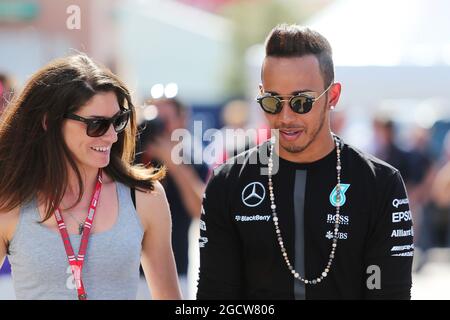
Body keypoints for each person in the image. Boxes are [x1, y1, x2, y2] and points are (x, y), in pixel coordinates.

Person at [197, 24, 413, 299]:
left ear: (332, 97)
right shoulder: (228, 183)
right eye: (272, 102)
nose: (286, 117)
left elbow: (389, 293)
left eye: (301, 102)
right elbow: (215, 295)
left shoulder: (379, 183)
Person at [0, 54, 181, 300]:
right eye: (96, 124)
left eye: (118, 121)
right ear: (48, 122)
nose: (111, 136)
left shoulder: (145, 197)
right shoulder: (9, 201)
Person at [139, 97, 209, 299]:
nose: (159, 127)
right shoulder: (129, 158)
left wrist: (174, 164)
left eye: (165, 120)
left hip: (176, 273)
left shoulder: (193, 160)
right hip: (131, 276)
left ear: (182, 121)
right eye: (153, 120)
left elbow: (201, 212)